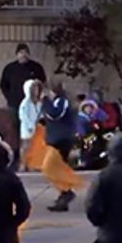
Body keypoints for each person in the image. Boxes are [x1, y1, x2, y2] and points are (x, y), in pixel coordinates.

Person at [0, 44, 47, 165]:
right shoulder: (10, 68)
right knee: (15, 129)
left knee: (34, 130)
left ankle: (35, 157)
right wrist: (10, 97)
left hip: (33, 105)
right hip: (15, 104)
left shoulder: (36, 68)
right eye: (20, 52)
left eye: (25, 52)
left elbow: (42, 83)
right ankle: (16, 157)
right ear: (17, 54)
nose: (23, 55)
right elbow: (3, 85)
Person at [43, 82, 83, 212]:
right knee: (56, 168)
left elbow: (55, 115)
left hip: (61, 140)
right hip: (56, 139)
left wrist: (45, 102)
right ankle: (64, 194)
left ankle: (66, 192)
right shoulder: (56, 101)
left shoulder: (61, 101)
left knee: (49, 167)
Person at [18, 80, 45, 172]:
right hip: (27, 128)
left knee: (35, 147)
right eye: (34, 89)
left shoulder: (39, 103)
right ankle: (23, 164)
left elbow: (40, 113)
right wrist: (30, 125)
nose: (36, 91)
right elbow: (23, 116)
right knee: (26, 147)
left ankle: (33, 164)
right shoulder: (25, 103)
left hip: (37, 128)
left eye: (38, 89)